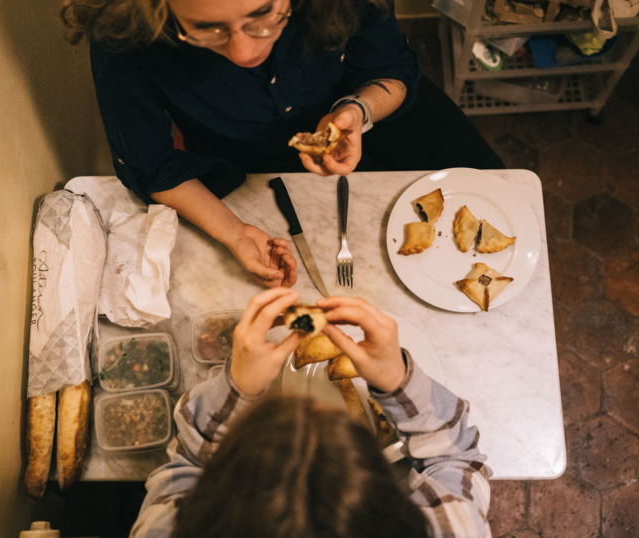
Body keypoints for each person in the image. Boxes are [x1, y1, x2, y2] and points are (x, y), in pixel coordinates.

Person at [61, 0, 503, 289]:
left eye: (264, 14)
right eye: (205, 29)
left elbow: (391, 66)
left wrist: (357, 111)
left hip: (387, 118)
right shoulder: (122, 29)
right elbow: (150, 164)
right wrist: (234, 233)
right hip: (251, 162)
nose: (241, 52)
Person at [130, 288, 493, 538]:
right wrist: (398, 380)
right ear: (387, 498)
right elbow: (456, 458)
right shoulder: (452, 529)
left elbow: (187, 465)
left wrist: (237, 385)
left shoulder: (164, 530)